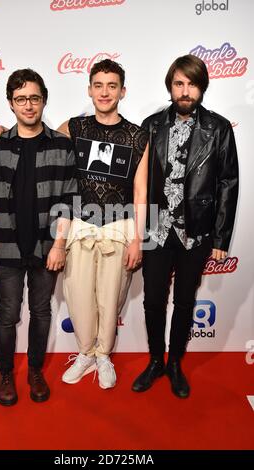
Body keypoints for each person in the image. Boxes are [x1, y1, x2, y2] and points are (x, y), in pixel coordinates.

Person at [0, 59, 149, 390]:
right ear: (89, 90)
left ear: (123, 91)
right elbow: (30, 134)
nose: (104, 92)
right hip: (78, 227)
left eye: (112, 85)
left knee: (109, 299)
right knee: (78, 298)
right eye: (98, 86)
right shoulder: (72, 128)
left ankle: (103, 356)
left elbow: (142, 190)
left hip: (118, 228)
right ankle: (85, 353)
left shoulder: (139, 135)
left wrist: (139, 239)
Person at [132, 54, 239, 398]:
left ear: (202, 87)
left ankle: (175, 363)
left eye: (191, 84)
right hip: (156, 231)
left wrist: (221, 236)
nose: (185, 90)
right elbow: (137, 180)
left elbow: (227, 183)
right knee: (152, 300)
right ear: (170, 86)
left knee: (184, 302)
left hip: (197, 231)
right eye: (179, 83)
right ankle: (154, 361)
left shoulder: (218, 128)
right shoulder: (150, 125)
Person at [0, 69, 77, 406]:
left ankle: (35, 370)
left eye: (34, 98)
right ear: (10, 103)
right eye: (21, 99)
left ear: (43, 100)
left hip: (47, 247)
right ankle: (5, 373)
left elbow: (67, 200)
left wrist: (60, 245)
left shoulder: (62, 145)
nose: (28, 105)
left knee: (41, 312)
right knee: (7, 313)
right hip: (5, 246)